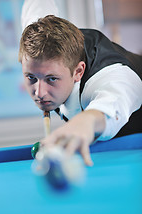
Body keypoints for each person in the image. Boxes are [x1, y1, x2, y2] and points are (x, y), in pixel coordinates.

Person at [19, 15, 142, 165]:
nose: (39, 93)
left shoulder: (114, 78)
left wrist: (85, 122)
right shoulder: (39, 40)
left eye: (51, 79)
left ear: (78, 72)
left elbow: (112, 104)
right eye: (31, 77)